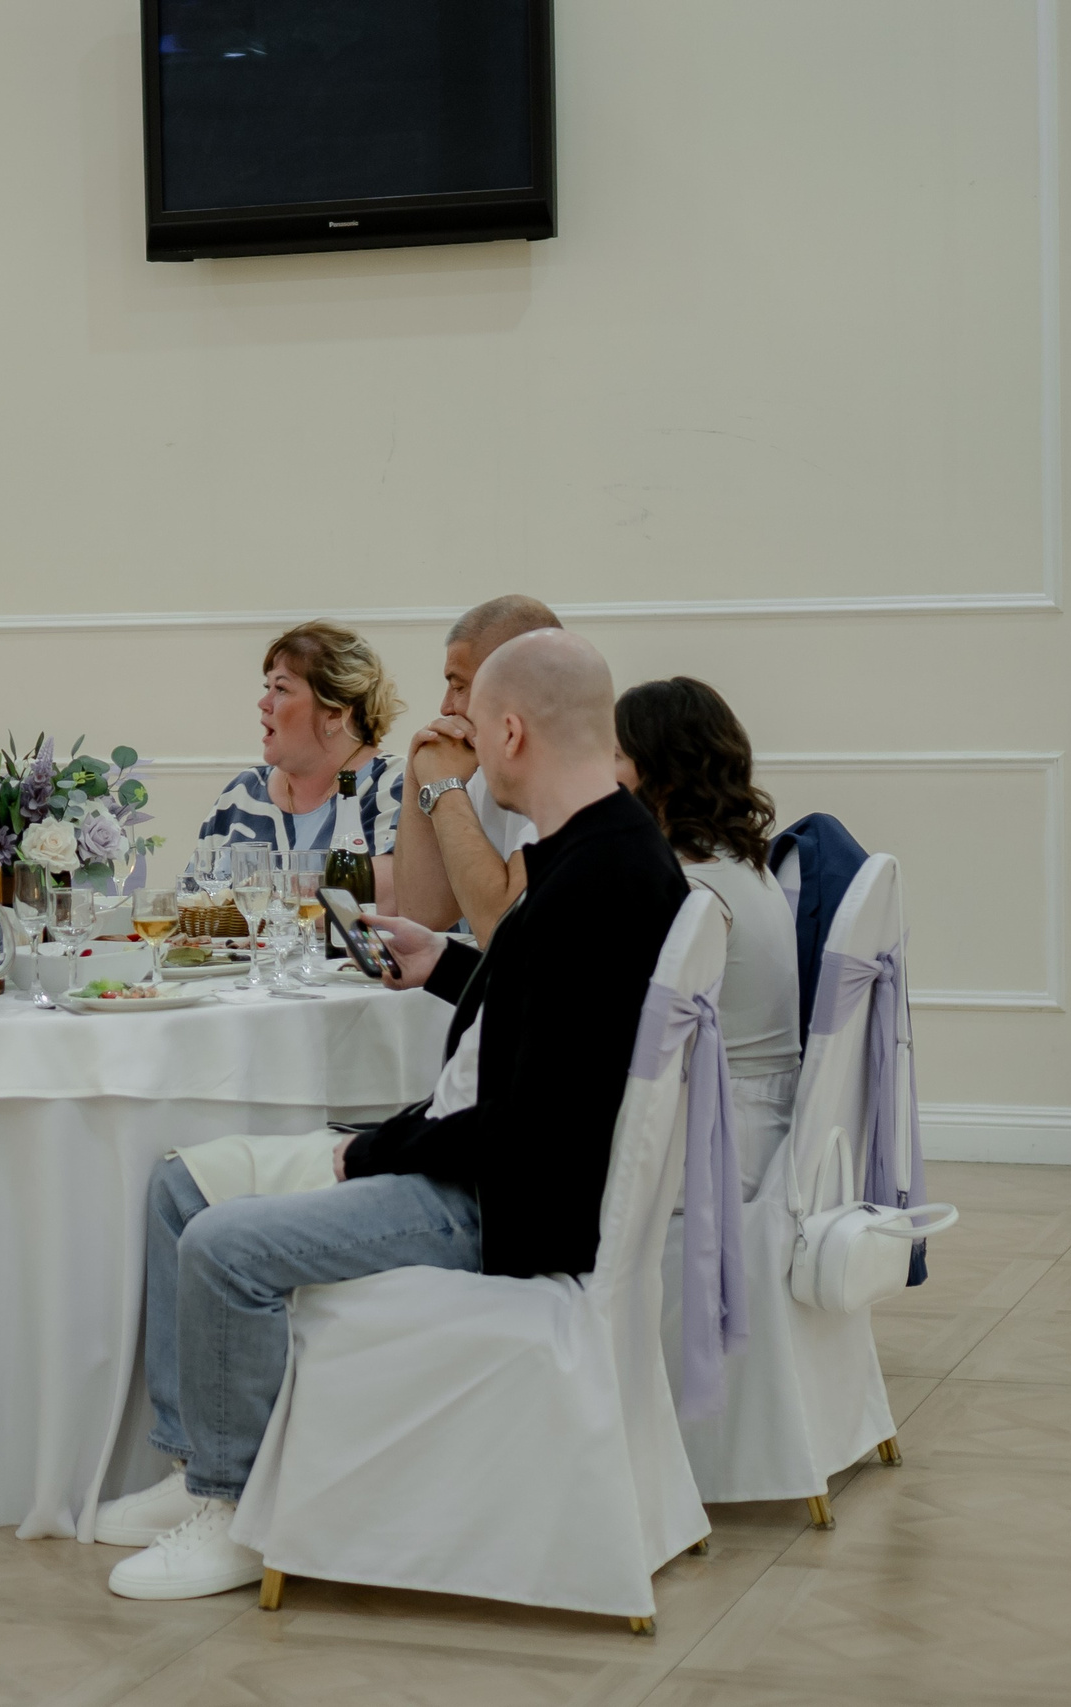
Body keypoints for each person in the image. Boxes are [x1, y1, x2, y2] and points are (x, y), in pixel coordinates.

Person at [98, 629, 688, 1601]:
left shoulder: (598, 882)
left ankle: (238, 1512)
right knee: (179, 1185)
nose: (456, 732)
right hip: (478, 1163)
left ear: (510, 731)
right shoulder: (601, 851)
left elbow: (527, 1123)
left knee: (220, 1246)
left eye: (471, 718)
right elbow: (542, 1021)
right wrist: (445, 964)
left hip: (495, 1202)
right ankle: (192, 1463)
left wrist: (370, 1151)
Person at [614, 676, 799, 1193]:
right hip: (752, 1130)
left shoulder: (691, 892)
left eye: (615, 756)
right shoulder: (741, 865)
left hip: (712, 1148)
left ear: (664, 777)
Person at [187, 622, 405, 909]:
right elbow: (193, 901)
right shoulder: (242, 794)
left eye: (281, 689)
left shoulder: (392, 784)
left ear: (334, 713)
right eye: (267, 687)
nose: (263, 703)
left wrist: (264, 897)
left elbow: (390, 892)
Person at [390, 595, 563, 934]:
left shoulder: (577, 780)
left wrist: (443, 788)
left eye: (460, 686)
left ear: (517, 688)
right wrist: (417, 776)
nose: (445, 706)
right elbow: (423, 915)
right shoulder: (477, 764)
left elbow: (500, 929)